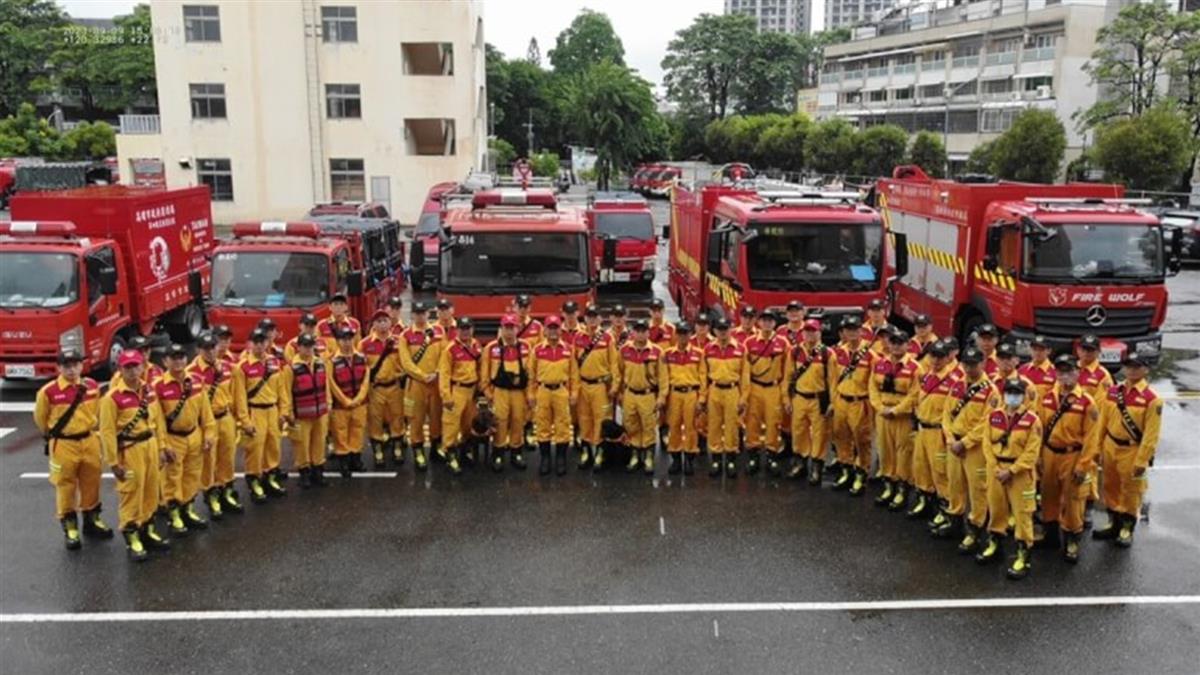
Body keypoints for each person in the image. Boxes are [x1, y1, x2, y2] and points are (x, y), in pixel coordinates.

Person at [34, 348, 109, 550]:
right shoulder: (48, 391)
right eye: (66, 365)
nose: (72, 369)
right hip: (63, 443)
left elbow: (97, 412)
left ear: (81, 365)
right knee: (65, 485)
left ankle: (92, 521)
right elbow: (41, 420)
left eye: (75, 364)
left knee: (92, 481)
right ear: (58, 367)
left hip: (89, 440)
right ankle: (70, 527)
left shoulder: (91, 386)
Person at [100, 350, 170, 562]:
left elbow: (157, 421)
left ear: (142, 367)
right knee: (131, 494)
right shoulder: (112, 398)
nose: (132, 371)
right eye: (127, 367)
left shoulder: (148, 390)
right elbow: (107, 432)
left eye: (136, 366)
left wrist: (162, 447)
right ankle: (132, 537)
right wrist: (113, 462)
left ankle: (146, 529)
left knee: (150, 491)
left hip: (149, 445)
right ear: (120, 370)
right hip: (130, 451)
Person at [976, 378, 1043, 580]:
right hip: (996, 469)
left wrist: (1012, 470)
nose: (1012, 396)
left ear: (1023, 396)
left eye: (1017, 393)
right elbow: (986, 444)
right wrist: (995, 468)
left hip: (1020, 473)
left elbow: (1032, 452)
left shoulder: (1032, 420)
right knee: (996, 509)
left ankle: (1024, 554)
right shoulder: (993, 417)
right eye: (1009, 392)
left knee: (1023, 514)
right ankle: (994, 542)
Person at [1093, 354, 1162, 548]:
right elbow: (1102, 423)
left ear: (1145, 369)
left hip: (1132, 449)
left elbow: (1151, 435)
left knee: (1131, 491)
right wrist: (1097, 448)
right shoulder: (1114, 392)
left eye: (1136, 367)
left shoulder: (1152, 399)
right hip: (1110, 446)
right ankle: (1113, 523)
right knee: (1110, 486)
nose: (1131, 370)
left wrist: (1142, 460)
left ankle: (1127, 527)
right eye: (1128, 366)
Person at [1037, 355, 1100, 562]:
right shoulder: (1047, 398)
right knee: (1048, 496)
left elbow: (1092, 439)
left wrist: (1084, 465)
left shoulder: (1087, 403)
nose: (1065, 376)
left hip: (1072, 455)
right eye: (1061, 371)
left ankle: (1072, 539)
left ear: (1078, 372)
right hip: (1049, 453)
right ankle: (1051, 535)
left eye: (1069, 371)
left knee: (1073, 499)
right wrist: (1038, 457)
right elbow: (1040, 431)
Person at [155, 343, 216, 536]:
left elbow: (206, 412)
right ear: (165, 361)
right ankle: (174, 515)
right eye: (173, 357)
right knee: (172, 478)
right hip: (174, 439)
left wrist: (209, 434)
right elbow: (157, 421)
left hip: (194, 435)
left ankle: (187, 510)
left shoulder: (197, 381)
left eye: (181, 357)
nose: (179, 361)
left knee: (192, 475)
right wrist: (163, 446)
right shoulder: (158, 386)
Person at [942, 347, 999, 549]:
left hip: (973, 448)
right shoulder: (957, 385)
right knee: (954, 485)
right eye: (966, 364)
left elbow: (986, 423)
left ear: (982, 364)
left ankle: (976, 529)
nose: (968, 368)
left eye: (973, 364)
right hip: (954, 444)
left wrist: (964, 442)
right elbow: (946, 414)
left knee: (977, 490)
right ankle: (954, 521)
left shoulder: (991, 391)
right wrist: (950, 439)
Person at [187, 332, 240, 519]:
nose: (210, 352)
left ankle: (226, 490)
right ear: (198, 350)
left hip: (225, 417)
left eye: (213, 347)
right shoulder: (191, 373)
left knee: (227, 456)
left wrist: (239, 418)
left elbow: (236, 395)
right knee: (209, 461)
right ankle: (211, 496)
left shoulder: (228, 368)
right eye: (206, 348)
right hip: (206, 423)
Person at [910, 340, 961, 523]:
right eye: (933, 356)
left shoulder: (954, 382)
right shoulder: (926, 376)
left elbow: (953, 413)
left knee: (940, 473)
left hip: (938, 433)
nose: (936, 360)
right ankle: (926, 502)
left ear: (947, 358)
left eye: (940, 357)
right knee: (921, 467)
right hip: (923, 429)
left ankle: (946, 510)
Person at [868, 328, 920, 505]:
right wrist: (879, 407)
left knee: (903, 453)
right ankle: (888, 486)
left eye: (900, 343)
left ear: (908, 345)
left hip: (901, 417)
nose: (896, 347)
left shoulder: (915, 368)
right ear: (888, 344)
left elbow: (914, 395)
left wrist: (895, 410)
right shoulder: (880, 364)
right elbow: (872, 388)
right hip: (882, 414)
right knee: (885, 450)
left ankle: (902, 488)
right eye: (893, 343)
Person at [232, 328, 284, 503]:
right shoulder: (242, 367)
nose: (260, 345)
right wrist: (244, 421)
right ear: (249, 344)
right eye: (256, 342)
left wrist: (283, 412)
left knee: (273, 444)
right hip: (255, 411)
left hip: (272, 410)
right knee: (255, 448)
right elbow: (239, 397)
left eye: (263, 342)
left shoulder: (274, 362)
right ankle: (254, 479)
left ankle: (270, 475)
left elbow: (282, 390)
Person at [830, 315, 877, 493]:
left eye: (855, 330)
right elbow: (834, 379)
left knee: (862, 440)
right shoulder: (839, 352)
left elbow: (873, 384)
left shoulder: (871, 355)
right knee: (841, 436)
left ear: (861, 331)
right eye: (848, 330)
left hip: (860, 403)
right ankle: (846, 469)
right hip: (841, 400)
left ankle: (861, 473)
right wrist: (833, 401)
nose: (851, 333)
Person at [279, 333, 332, 489]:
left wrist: (328, 402)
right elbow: (286, 392)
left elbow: (326, 385)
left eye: (311, 346)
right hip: (301, 414)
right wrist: (289, 413)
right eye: (305, 346)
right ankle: (304, 472)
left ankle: (318, 471)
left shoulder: (320, 363)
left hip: (320, 412)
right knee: (301, 445)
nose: (308, 349)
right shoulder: (291, 368)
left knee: (319, 443)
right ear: (299, 347)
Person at [397, 302, 444, 472]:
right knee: (416, 419)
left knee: (436, 417)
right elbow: (406, 363)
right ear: (412, 315)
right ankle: (418, 451)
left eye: (423, 312)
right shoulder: (405, 336)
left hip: (436, 383)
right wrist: (424, 376)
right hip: (416, 384)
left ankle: (435, 449)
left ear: (428, 313)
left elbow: (444, 355)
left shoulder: (438, 332)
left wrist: (437, 373)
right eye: (417, 313)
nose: (420, 316)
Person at [783, 319, 831, 485]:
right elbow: (788, 377)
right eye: (807, 331)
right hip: (799, 398)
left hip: (818, 400)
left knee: (819, 434)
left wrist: (831, 404)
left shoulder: (827, 354)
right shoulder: (795, 351)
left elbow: (832, 381)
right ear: (802, 333)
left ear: (820, 333)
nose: (810, 334)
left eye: (813, 331)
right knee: (798, 431)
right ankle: (800, 463)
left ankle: (817, 466)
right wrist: (787, 399)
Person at [482, 314, 532, 472]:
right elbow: (484, 375)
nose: (509, 332)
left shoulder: (525, 347)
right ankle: (498, 453)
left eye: (512, 328)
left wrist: (530, 394)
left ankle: (516, 452)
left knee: (518, 420)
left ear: (517, 329)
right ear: (501, 329)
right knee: (500, 421)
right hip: (500, 392)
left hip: (519, 393)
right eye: (506, 328)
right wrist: (489, 394)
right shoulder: (491, 348)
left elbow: (531, 374)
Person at [572, 304, 619, 470]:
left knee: (600, 420)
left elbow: (614, 363)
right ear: (585, 318)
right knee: (584, 419)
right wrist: (574, 389)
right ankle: (586, 452)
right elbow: (573, 366)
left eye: (595, 316)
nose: (592, 319)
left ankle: (600, 453)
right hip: (583, 385)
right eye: (589, 316)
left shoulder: (607, 338)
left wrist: (614, 386)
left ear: (600, 318)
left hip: (601, 386)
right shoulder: (578, 337)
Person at [742, 310, 789, 476]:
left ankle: (772, 455)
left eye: (770, 321)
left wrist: (785, 395)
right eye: (764, 320)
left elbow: (787, 370)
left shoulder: (783, 343)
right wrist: (744, 394)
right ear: (759, 323)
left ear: (775, 324)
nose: (767, 324)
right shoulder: (749, 343)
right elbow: (745, 371)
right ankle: (753, 455)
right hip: (755, 388)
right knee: (752, 421)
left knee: (773, 423)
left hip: (774, 388)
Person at [530, 315, 578, 475]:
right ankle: (544, 458)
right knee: (542, 424)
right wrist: (531, 394)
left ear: (560, 330)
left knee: (562, 425)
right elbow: (531, 374)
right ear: (544, 330)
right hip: (543, 391)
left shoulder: (568, 349)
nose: (553, 331)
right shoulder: (537, 350)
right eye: (550, 328)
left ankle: (561, 459)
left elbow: (573, 374)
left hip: (561, 391)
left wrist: (574, 393)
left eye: (556, 328)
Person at [617, 320, 665, 475]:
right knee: (631, 425)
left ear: (648, 332)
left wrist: (661, 397)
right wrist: (618, 392)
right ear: (633, 333)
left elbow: (663, 377)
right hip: (630, 394)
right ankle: (635, 455)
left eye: (643, 330)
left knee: (649, 426)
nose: (640, 334)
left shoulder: (657, 352)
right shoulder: (624, 350)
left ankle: (649, 456)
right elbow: (619, 372)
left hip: (648, 395)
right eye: (637, 331)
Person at [360, 310, 404, 469]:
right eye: (378, 321)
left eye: (385, 320)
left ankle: (398, 447)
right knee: (375, 419)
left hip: (395, 386)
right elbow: (361, 367)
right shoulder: (365, 344)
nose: (382, 324)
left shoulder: (399, 341)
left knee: (397, 417)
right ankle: (377, 450)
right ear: (373, 325)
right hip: (376, 388)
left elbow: (406, 362)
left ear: (391, 323)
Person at [438, 317, 483, 476]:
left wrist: (480, 389)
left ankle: (465, 452)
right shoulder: (450, 349)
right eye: (462, 328)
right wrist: (446, 397)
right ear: (457, 330)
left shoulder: (477, 345)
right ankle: (450, 456)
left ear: (472, 329)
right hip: (456, 390)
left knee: (468, 424)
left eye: (468, 328)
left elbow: (480, 368)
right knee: (451, 425)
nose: (465, 331)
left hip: (471, 392)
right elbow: (444, 374)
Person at [702, 318, 745, 478]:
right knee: (713, 424)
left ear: (731, 329)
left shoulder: (740, 349)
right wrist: (703, 397)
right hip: (714, 390)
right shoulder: (708, 349)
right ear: (714, 331)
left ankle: (731, 459)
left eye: (725, 328)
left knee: (732, 426)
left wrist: (743, 398)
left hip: (733, 391)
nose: (722, 332)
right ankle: (716, 459)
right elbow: (703, 375)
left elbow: (744, 375)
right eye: (719, 329)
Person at [662, 322, 704, 476]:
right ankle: (676, 459)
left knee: (691, 427)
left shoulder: (699, 354)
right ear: (675, 335)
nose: (682, 336)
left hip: (691, 394)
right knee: (673, 426)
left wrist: (702, 399)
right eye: (679, 333)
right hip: (674, 394)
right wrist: (663, 397)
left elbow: (703, 377)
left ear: (690, 334)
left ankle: (689, 459)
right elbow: (664, 377)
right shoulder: (667, 354)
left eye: (685, 333)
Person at [329, 327, 371, 477]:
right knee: (340, 433)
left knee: (358, 431)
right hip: (341, 406)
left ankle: (356, 460)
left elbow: (366, 380)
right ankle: (344, 463)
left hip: (359, 403)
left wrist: (359, 398)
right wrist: (345, 400)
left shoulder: (361, 358)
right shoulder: (332, 361)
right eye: (343, 339)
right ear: (338, 341)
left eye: (349, 338)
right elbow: (331, 384)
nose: (347, 342)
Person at [1018, 336, 1057, 402]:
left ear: (1049, 351)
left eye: (1041, 349)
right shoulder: (1022, 370)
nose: (1037, 352)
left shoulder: (1055, 371)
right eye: (1034, 349)